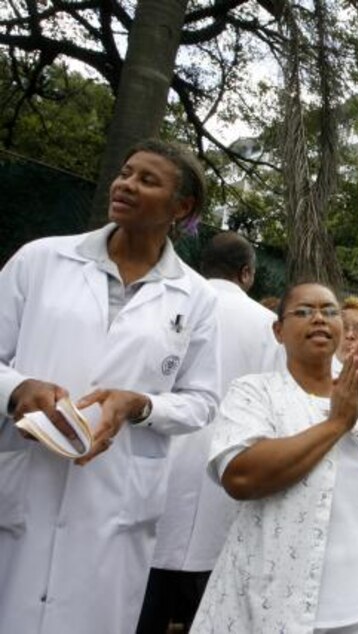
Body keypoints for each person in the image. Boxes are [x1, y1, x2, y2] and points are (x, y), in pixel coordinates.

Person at [0, 139, 221, 633]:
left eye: (147, 180)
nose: (125, 184)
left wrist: (140, 405)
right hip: (25, 480)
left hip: (117, 501)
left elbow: (202, 402)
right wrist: (17, 389)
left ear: (181, 207)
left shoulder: (195, 297)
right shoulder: (41, 260)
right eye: (125, 173)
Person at [191, 282, 358, 633]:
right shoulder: (255, 392)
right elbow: (240, 477)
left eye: (330, 311)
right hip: (278, 609)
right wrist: (336, 425)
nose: (319, 319)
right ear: (278, 330)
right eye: (303, 312)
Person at [139, 232, 284, 633]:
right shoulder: (269, 325)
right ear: (247, 274)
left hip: (157, 453)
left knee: (142, 603)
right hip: (225, 473)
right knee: (214, 611)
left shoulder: (174, 304)